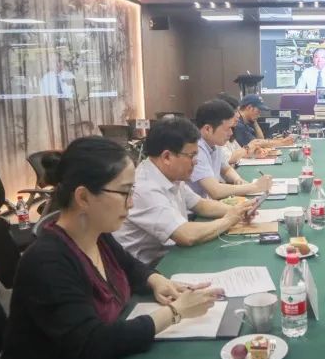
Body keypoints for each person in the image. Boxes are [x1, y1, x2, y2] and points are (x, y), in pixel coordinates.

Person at [0, 137, 224, 359]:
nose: (131, 203)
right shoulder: (47, 262)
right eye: (124, 193)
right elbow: (92, 345)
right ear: (83, 197)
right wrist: (175, 312)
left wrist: (157, 281)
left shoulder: (96, 233)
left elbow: (130, 267)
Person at [113, 118, 253, 265]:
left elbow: (201, 205)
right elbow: (186, 235)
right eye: (191, 156)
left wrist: (239, 211)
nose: (195, 161)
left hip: (167, 254)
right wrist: (228, 220)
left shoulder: (170, 175)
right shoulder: (145, 187)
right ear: (167, 157)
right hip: (148, 267)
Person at [189, 100, 273, 199]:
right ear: (208, 129)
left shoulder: (215, 143)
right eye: (227, 129)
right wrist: (255, 187)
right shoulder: (195, 150)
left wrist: (237, 179)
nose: (231, 133)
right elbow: (215, 191)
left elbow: (226, 169)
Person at [216, 94, 267, 165]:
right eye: (235, 112)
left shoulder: (232, 129)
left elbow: (238, 152)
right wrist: (248, 147)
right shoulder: (237, 126)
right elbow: (229, 159)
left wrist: (254, 155)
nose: (238, 115)